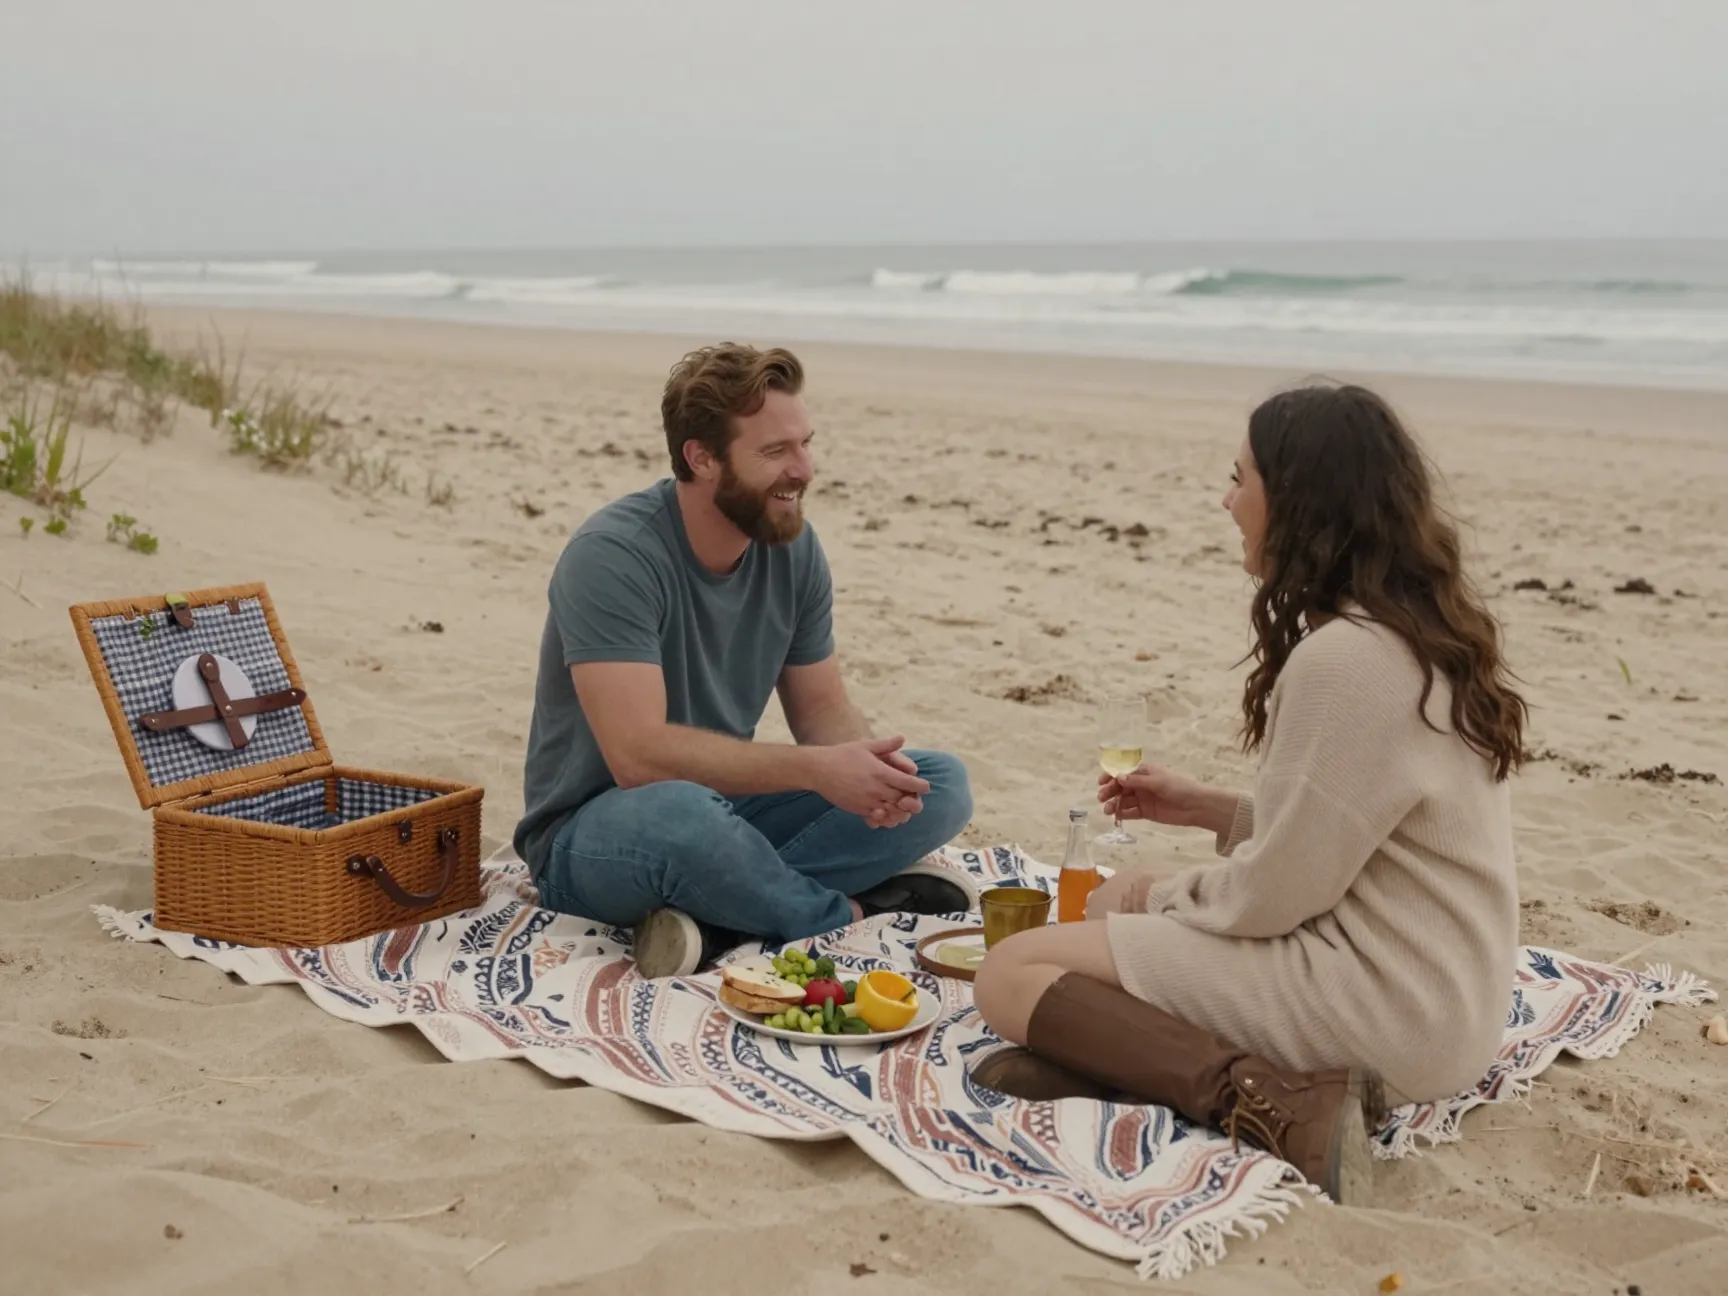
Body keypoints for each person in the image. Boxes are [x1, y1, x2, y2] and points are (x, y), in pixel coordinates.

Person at [970, 382, 1527, 1208]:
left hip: (1389, 1011)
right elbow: (1360, 830)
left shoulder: (1346, 661)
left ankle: (1273, 1107)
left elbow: (1272, 898)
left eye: (1240, 478)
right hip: (1452, 1000)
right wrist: (1211, 810)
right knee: (1111, 917)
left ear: (1296, 499)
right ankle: (1124, 1060)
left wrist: (1156, 895)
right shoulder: (1417, 630)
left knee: (1012, 972)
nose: (1228, 501)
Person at [513, 342, 975, 979]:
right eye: (775, 452)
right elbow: (637, 757)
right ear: (701, 458)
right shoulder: (612, 556)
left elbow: (823, 710)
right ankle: (841, 916)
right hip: (596, 836)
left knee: (940, 784)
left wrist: (870, 774)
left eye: (805, 444)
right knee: (682, 815)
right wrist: (817, 772)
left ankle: (717, 914)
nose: (804, 469)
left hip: (726, 810)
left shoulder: (793, 546)